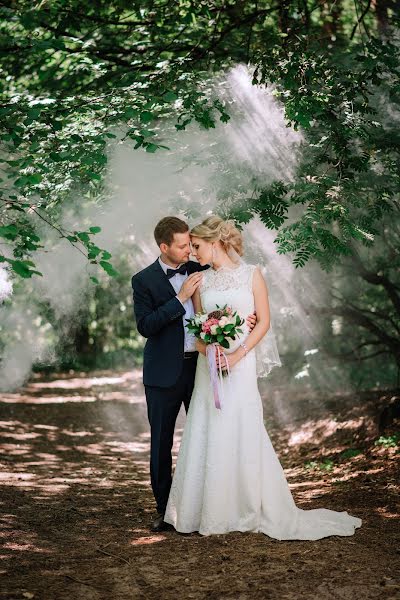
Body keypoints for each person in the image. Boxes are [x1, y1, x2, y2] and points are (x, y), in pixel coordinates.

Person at [164, 215, 362, 540]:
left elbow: (263, 322)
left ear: (214, 242)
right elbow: (198, 331)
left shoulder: (252, 274)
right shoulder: (200, 281)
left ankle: (246, 507)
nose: (193, 254)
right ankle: (204, 511)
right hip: (210, 368)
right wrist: (209, 351)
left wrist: (237, 355)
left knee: (242, 424)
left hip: (240, 367)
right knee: (208, 425)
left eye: (197, 247)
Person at [131, 216, 256, 532]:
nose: (189, 249)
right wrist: (179, 299)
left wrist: (246, 322)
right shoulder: (143, 280)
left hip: (203, 367)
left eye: (191, 243)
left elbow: (229, 296)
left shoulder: (201, 269)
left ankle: (205, 505)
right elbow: (145, 326)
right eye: (182, 245)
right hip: (163, 373)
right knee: (162, 442)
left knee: (207, 435)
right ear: (164, 247)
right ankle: (166, 511)